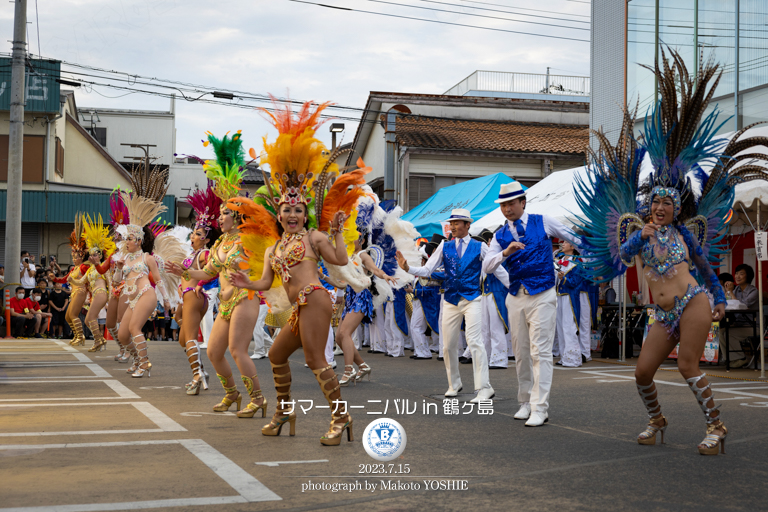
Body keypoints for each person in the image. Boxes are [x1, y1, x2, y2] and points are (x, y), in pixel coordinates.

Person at [571, 50, 768, 455]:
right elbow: (622, 258)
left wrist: (716, 298)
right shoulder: (638, 234)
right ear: (648, 206)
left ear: (676, 209)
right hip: (660, 313)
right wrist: (638, 234)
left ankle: (717, 426)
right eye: (656, 203)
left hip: (691, 302)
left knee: (687, 365)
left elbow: (708, 270)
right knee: (642, 372)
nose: (661, 208)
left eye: (668, 204)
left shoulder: (688, 235)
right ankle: (657, 419)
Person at [228, 100, 368, 445]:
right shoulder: (275, 247)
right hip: (298, 308)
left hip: (315, 299)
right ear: (279, 213)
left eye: (298, 209)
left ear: (306, 213)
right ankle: (284, 410)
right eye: (287, 209)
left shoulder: (312, 236)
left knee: (314, 357)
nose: (292, 214)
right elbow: (265, 282)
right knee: (276, 355)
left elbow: (338, 258)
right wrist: (247, 282)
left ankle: (341, 417)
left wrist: (336, 229)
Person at [166, 131, 266, 416]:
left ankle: (258, 398)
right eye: (221, 213)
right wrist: (182, 270)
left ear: (237, 216)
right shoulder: (222, 243)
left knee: (237, 350)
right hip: (225, 301)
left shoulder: (248, 239)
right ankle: (232, 393)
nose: (220, 217)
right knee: (213, 351)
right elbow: (208, 271)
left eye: (225, 213)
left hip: (245, 298)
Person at [483, 181, 578, 427]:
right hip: (516, 295)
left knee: (541, 352)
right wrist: (505, 253)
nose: (507, 209)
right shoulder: (499, 235)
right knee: (522, 353)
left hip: (543, 293)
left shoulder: (542, 221)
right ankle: (525, 402)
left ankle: (540, 407)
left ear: (522, 202)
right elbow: (487, 267)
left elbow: (572, 237)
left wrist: (594, 252)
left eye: (511, 204)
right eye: (503, 205)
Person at [398, 208, 507, 404]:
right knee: (448, 345)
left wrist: (513, 286)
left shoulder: (479, 246)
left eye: (458, 223)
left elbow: (495, 268)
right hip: (450, 300)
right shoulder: (444, 246)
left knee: (475, 341)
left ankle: (485, 387)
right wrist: (408, 268)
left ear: (467, 225)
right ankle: (454, 383)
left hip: (472, 298)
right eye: (452, 223)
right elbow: (427, 269)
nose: (453, 226)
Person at [174, 182, 221, 395]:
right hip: (186, 297)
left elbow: (214, 272)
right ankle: (200, 370)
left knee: (191, 337)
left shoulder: (205, 254)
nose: (193, 236)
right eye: (193, 232)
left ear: (207, 239)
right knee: (183, 338)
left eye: (198, 233)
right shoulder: (192, 255)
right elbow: (187, 274)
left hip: (194, 297)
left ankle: (197, 375)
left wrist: (201, 285)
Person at [51, 219, 91, 346]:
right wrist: (54, 278)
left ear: (82, 256)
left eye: (77, 257)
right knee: (68, 317)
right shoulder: (74, 268)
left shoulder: (85, 267)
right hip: (74, 293)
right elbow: (64, 279)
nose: (74, 259)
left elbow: (90, 279)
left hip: (81, 292)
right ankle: (77, 336)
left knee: (73, 315)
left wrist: (90, 295)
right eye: (73, 257)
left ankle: (81, 337)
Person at [83, 214, 116, 352]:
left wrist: (109, 299)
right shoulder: (90, 269)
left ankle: (99, 340)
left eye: (95, 255)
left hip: (101, 293)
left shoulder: (104, 267)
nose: (92, 257)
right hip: (94, 295)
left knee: (91, 317)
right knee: (87, 320)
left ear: (101, 256)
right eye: (91, 255)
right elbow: (81, 281)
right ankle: (99, 340)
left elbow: (109, 282)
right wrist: (70, 280)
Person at [554, 242, 585, 368]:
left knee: (569, 327)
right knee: (560, 328)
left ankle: (573, 358)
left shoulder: (578, 262)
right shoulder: (559, 260)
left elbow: (576, 282)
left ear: (572, 247)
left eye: (566, 242)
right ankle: (564, 356)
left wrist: (564, 279)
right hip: (559, 296)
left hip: (570, 297)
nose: (563, 244)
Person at [722, 264, 758, 368]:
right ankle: (728, 359)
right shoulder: (736, 290)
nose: (737, 276)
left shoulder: (753, 291)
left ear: (748, 276)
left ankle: (741, 359)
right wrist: (727, 292)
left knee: (728, 333)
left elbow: (742, 306)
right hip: (739, 324)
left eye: (741, 274)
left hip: (753, 325)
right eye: (736, 273)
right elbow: (726, 304)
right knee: (720, 332)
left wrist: (731, 292)